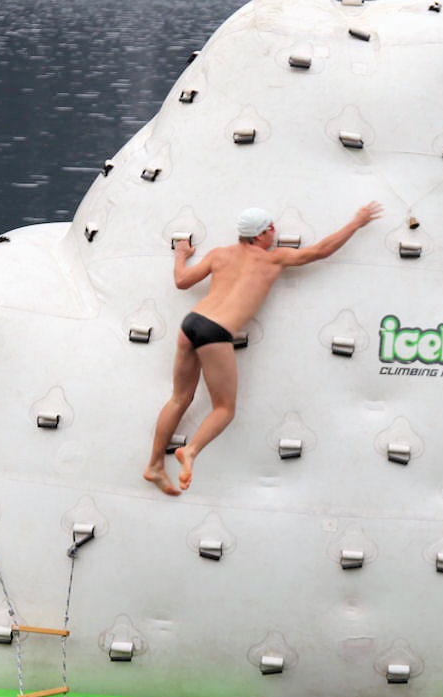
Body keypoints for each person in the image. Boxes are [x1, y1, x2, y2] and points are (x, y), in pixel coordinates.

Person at [144, 201, 383, 495]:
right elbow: (321, 250)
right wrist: (356, 222)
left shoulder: (219, 255)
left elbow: (181, 281)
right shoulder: (273, 259)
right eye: (270, 229)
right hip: (215, 332)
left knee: (180, 398)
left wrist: (181, 255)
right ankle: (191, 450)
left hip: (191, 322)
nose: (274, 233)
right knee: (224, 408)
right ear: (259, 236)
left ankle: (154, 465)